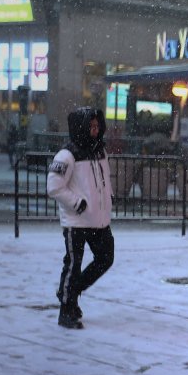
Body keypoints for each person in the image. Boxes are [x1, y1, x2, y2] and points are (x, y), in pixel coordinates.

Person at [47, 107, 114, 329]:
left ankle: (71, 292)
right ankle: (66, 309)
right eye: (91, 127)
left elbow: (103, 181)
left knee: (105, 258)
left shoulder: (99, 151)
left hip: (98, 219)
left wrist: (109, 199)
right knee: (73, 264)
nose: (95, 131)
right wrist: (77, 203)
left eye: (97, 126)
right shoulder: (67, 155)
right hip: (76, 220)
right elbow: (54, 187)